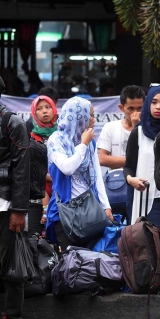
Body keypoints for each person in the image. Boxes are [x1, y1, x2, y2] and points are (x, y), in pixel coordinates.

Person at [45, 97, 114, 250]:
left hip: (91, 212)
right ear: (80, 116)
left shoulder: (91, 143)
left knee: (90, 262)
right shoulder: (56, 140)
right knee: (69, 262)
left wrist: (106, 206)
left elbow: (97, 177)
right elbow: (67, 168)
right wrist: (82, 144)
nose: (94, 120)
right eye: (91, 115)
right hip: (66, 213)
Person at [0, 75, 31, 319]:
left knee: (11, 264)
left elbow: (21, 169)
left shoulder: (13, 123)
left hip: (5, 205)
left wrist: (19, 210)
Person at [124, 84, 160, 230]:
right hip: (147, 200)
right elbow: (128, 166)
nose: (158, 107)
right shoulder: (138, 133)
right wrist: (130, 179)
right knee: (151, 246)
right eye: (154, 102)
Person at [27, 95, 58, 236]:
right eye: (39, 109)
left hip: (61, 189)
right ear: (34, 113)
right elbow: (28, 165)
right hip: (37, 191)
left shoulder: (62, 134)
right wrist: (46, 177)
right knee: (35, 236)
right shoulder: (30, 136)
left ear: (54, 109)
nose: (44, 111)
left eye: (48, 107)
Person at [97, 85, 145, 172]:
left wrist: (137, 128)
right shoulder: (110, 127)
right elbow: (102, 159)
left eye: (140, 108)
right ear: (121, 108)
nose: (135, 113)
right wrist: (131, 160)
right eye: (131, 108)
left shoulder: (149, 129)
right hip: (116, 182)